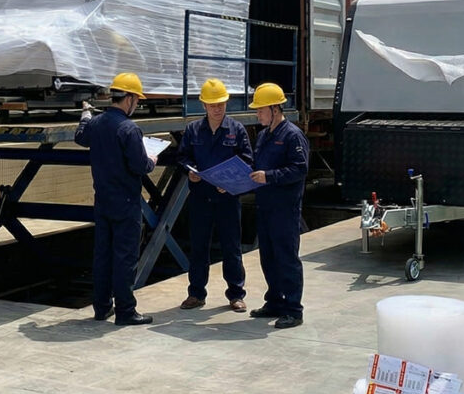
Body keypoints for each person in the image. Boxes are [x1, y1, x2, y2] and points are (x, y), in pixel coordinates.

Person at [75, 72, 157, 326]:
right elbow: (139, 165)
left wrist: (85, 115)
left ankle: (101, 308)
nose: (137, 105)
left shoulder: (97, 124)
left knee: (103, 255)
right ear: (129, 98)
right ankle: (125, 311)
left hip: (103, 200)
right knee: (125, 257)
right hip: (126, 202)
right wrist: (152, 160)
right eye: (137, 100)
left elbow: (80, 136)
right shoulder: (129, 129)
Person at [176, 78, 253, 312]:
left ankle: (236, 294)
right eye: (213, 105)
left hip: (227, 198)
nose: (217, 109)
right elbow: (183, 157)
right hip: (201, 197)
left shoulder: (236, 130)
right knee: (199, 246)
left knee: (231, 246)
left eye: (221, 104)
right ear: (204, 106)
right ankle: (196, 293)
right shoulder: (193, 130)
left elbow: (247, 160)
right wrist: (190, 172)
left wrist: (230, 182)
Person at [247, 82, 309, 329]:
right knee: (268, 257)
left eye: (260, 110)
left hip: (284, 209)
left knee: (286, 258)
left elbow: (300, 169)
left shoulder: (292, 135)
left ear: (275, 109)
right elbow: (257, 166)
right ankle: (274, 301)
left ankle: (293, 310)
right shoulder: (264, 136)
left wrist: (269, 176)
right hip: (265, 206)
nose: (257, 114)